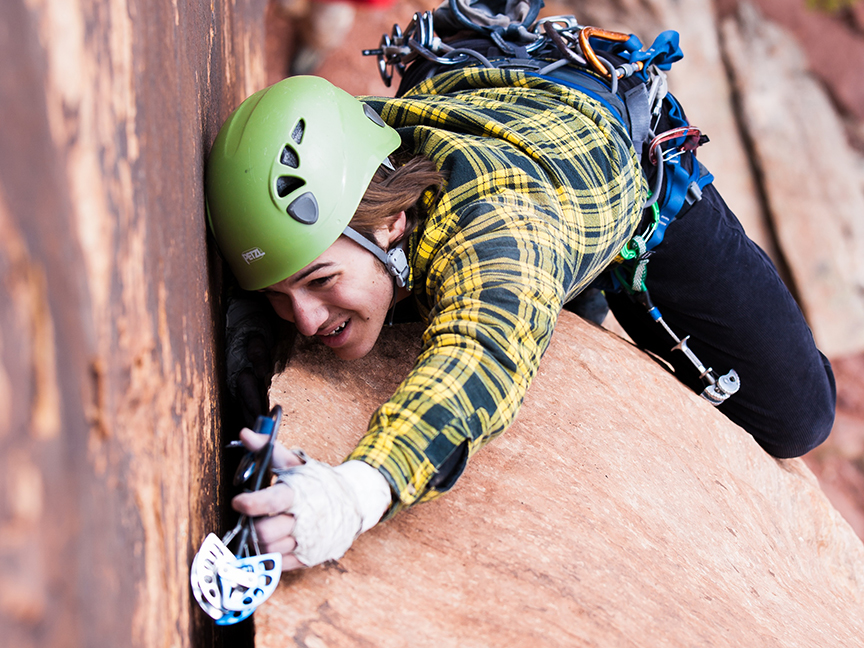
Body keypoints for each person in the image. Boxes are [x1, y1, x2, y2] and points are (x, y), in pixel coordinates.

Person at [205, 4, 836, 571]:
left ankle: (600, 268)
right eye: (281, 296)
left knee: (801, 417)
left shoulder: (500, 229)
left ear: (391, 219)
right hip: (474, 91)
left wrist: (357, 491)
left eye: (321, 281)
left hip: (613, 158)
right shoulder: (364, 158)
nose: (308, 321)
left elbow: (483, 354)